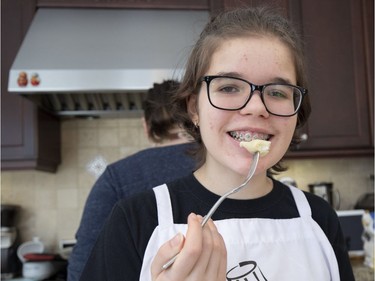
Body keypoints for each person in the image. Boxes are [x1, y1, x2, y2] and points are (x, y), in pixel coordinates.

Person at [79, 6, 355, 281]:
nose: (257, 107)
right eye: (229, 87)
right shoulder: (135, 221)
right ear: (194, 108)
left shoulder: (319, 219)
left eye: (276, 92)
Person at [67, 80, 196, 281]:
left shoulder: (117, 177)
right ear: (196, 117)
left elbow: (85, 262)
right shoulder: (228, 168)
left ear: (146, 126)